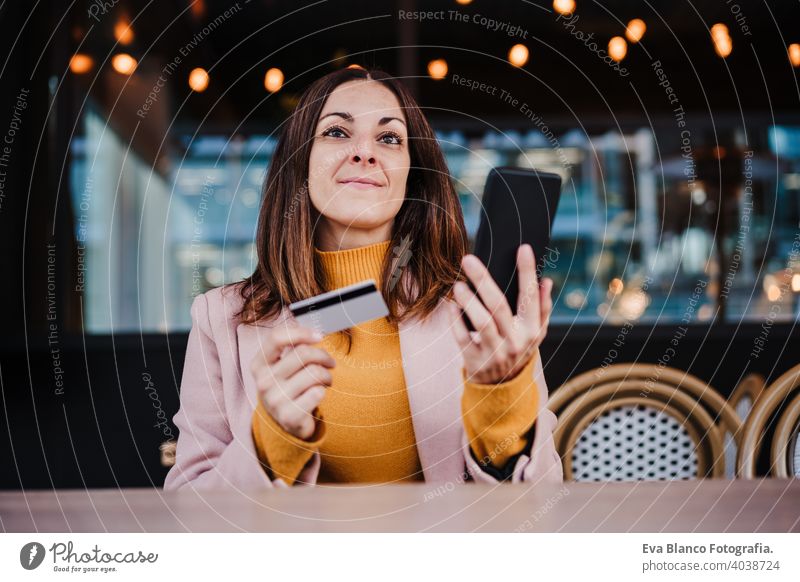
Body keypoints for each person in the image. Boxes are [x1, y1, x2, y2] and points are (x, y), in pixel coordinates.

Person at [164, 67, 563, 491]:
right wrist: (271, 439)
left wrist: (500, 394)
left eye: (390, 138)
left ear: (414, 175)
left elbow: (540, 502)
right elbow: (189, 505)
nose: (365, 152)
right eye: (337, 132)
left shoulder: (475, 311)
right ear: (299, 163)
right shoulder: (221, 318)